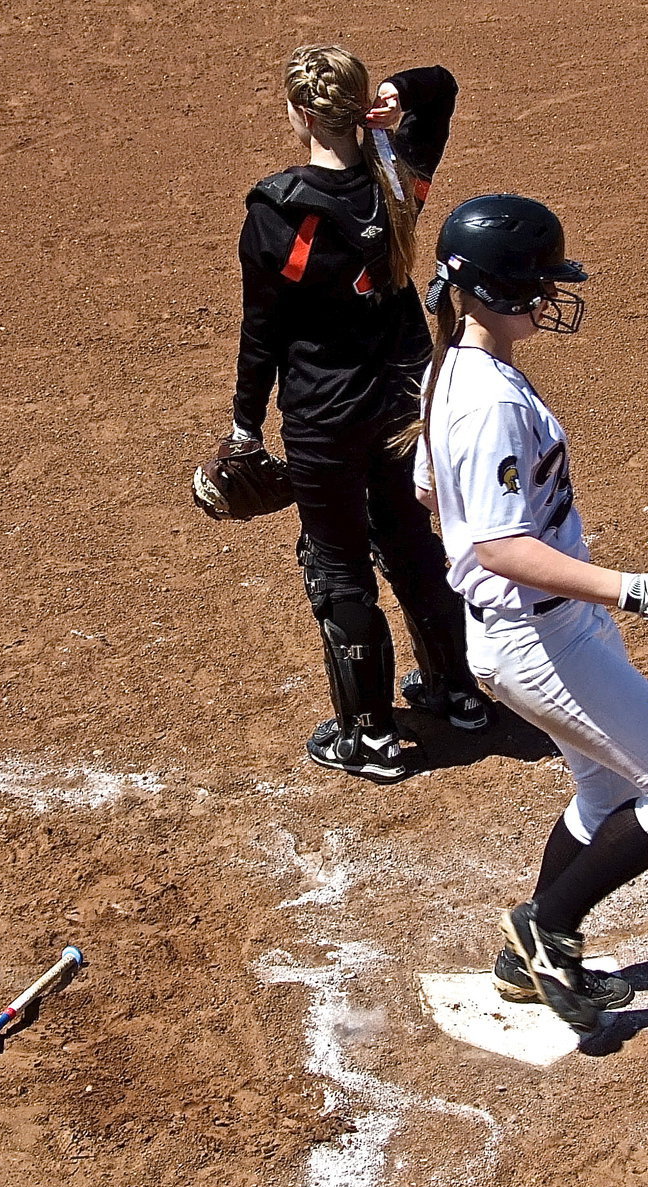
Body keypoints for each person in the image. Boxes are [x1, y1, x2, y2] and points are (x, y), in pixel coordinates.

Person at [412, 194, 648, 1034]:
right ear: (498, 288)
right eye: (539, 281)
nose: (551, 294)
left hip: (533, 627)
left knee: (600, 787)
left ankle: (530, 953)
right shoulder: (490, 402)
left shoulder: (452, 367)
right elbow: (500, 547)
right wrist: (633, 588)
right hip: (537, 635)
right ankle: (545, 932)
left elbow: (427, 492)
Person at [225, 44, 491, 783]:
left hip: (324, 416)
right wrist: (398, 94)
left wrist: (246, 424)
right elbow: (442, 83)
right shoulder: (395, 178)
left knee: (337, 564)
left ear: (302, 114)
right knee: (408, 540)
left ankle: (369, 737)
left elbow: (263, 331)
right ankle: (458, 692)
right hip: (404, 402)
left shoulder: (276, 210)